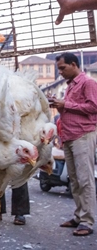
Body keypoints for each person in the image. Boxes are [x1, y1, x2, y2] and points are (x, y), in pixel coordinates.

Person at [50, 52, 97, 237]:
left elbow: (94, 107)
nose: (60, 72)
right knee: (75, 180)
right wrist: (60, 105)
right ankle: (79, 216)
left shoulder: (88, 83)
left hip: (83, 135)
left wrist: (66, 105)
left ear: (74, 64)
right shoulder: (70, 86)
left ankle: (87, 221)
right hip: (69, 137)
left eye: (63, 68)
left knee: (85, 180)